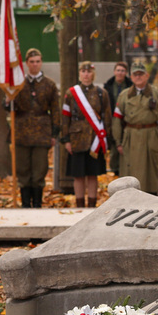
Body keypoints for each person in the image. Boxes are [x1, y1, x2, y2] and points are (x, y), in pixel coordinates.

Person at [4, 48, 60, 208]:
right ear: (27, 63)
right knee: (22, 170)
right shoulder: (18, 83)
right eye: (31, 62)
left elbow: (55, 109)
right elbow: (7, 107)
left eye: (37, 61)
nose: (35, 65)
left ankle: (37, 204)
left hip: (42, 132)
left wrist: (55, 132)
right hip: (21, 131)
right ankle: (25, 205)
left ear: (41, 62)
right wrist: (8, 100)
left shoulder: (49, 84)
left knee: (39, 170)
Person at [61, 61, 111, 207]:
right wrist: (66, 140)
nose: (86, 75)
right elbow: (65, 117)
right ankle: (80, 204)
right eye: (83, 71)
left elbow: (107, 118)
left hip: (95, 140)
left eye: (89, 72)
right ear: (79, 74)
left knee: (92, 174)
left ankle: (91, 205)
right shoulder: (70, 93)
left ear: (93, 74)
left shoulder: (102, 93)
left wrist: (106, 139)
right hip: (76, 139)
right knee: (78, 175)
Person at [112, 62, 158, 194]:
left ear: (147, 76)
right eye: (135, 74)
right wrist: (118, 141)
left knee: (152, 172)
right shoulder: (124, 95)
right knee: (131, 171)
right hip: (131, 138)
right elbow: (117, 120)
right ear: (131, 77)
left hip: (151, 136)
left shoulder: (156, 93)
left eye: (141, 74)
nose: (138, 77)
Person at [104, 62, 132, 174]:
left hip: (127, 121)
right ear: (115, 72)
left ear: (126, 73)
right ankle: (115, 170)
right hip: (112, 121)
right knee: (115, 149)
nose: (120, 73)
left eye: (123, 71)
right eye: (118, 70)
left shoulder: (130, 86)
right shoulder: (108, 87)